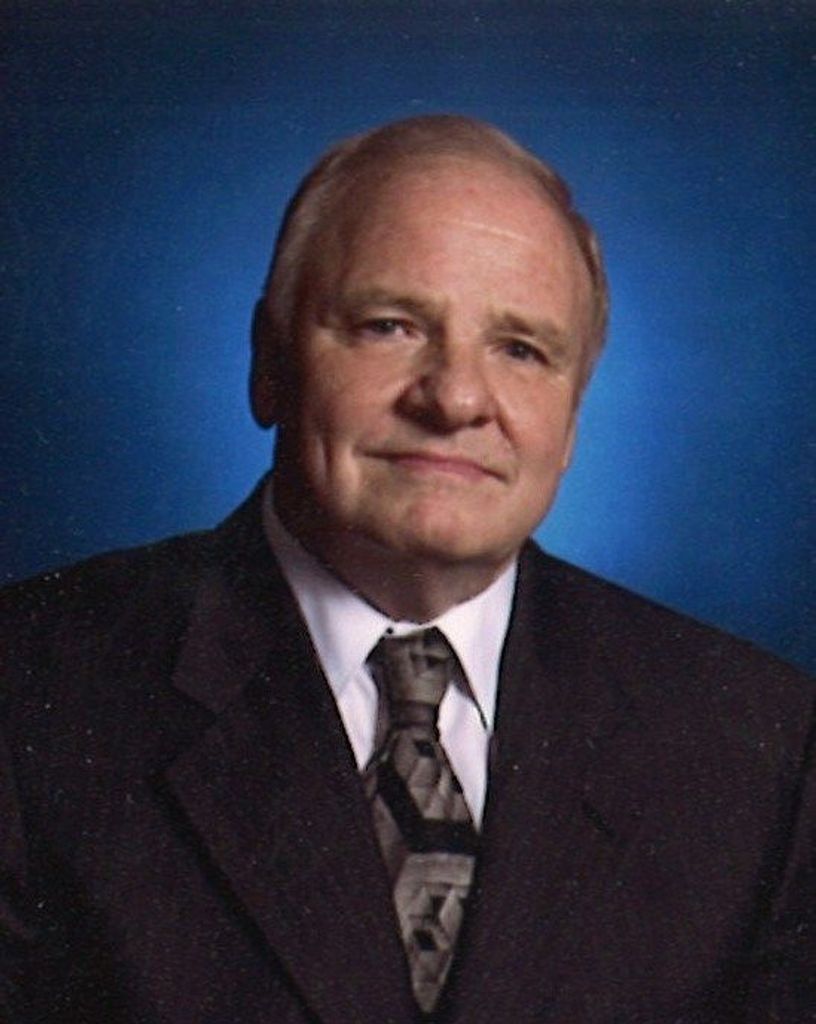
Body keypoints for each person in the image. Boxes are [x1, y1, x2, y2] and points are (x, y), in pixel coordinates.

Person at [1, 115, 813, 1024]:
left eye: (521, 350)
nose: (456, 398)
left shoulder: (760, 746)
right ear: (269, 363)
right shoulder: (31, 691)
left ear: (572, 417)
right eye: (389, 326)